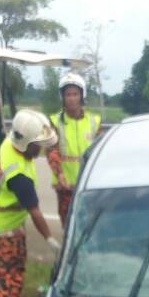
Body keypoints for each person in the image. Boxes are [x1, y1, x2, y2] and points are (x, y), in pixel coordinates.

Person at [0, 108, 61, 297]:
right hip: (4, 226)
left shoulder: (12, 141)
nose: (41, 148)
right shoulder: (19, 176)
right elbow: (35, 213)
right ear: (26, 143)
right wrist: (50, 239)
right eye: (38, 145)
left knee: (4, 268)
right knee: (14, 270)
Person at [47, 71, 101, 226]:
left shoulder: (94, 121)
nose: (71, 98)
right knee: (69, 225)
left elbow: (100, 152)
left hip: (88, 184)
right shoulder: (55, 122)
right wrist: (59, 173)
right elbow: (52, 151)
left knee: (88, 224)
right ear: (62, 97)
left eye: (75, 94)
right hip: (65, 187)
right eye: (68, 94)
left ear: (82, 96)